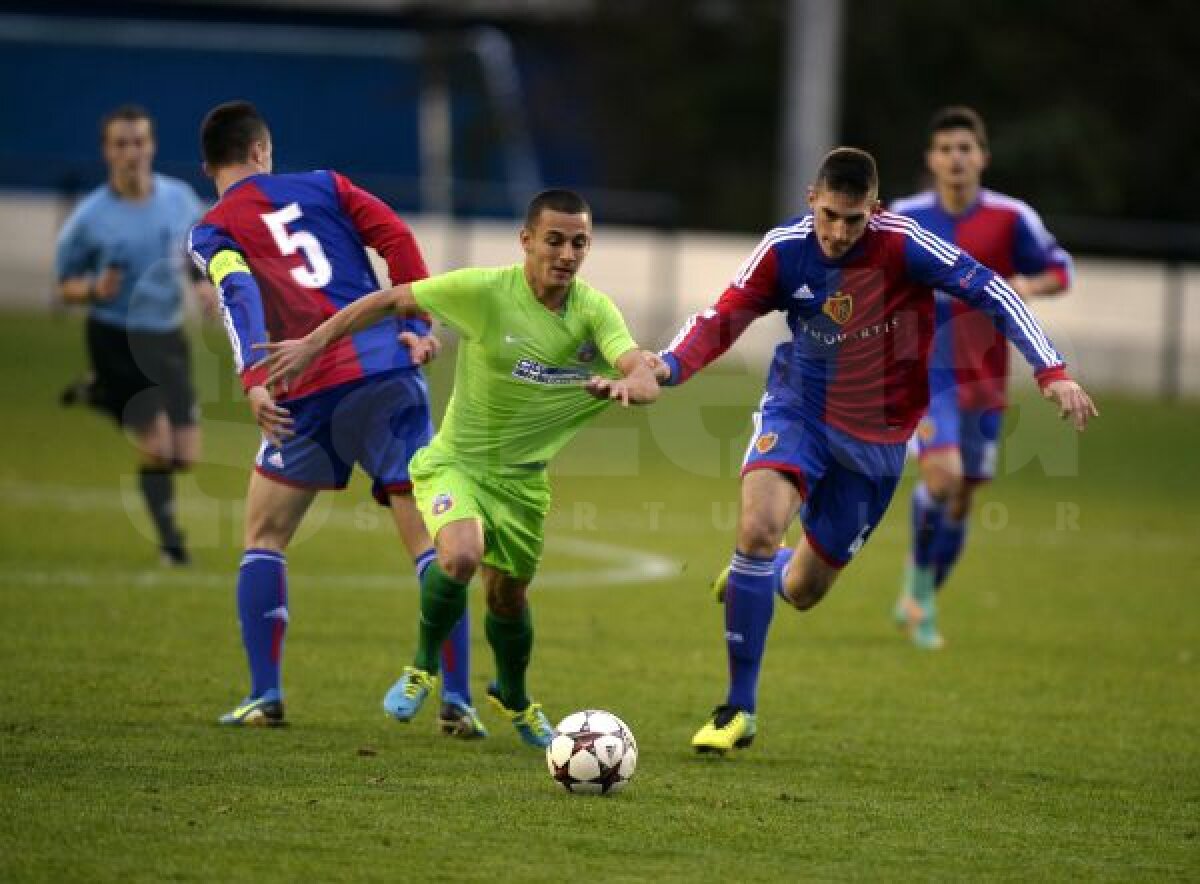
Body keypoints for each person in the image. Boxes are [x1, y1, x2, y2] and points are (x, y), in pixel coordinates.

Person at [650, 147, 1096, 754]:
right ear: (813, 199)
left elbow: (995, 291)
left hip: (879, 441)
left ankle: (763, 570)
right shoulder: (785, 248)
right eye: (828, 215)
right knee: (757, 526)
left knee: (805, 589)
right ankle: (739, 708)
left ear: (873, 211)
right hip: (799, 410)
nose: (836, 232)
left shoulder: (906, 243)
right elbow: (721, 317)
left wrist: (1052, 370)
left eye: (852, 220)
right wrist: (670, 367)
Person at [259, 188, 660, 749]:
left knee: (508, 600)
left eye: (579, 242)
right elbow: (388, 299)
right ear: (526, 241)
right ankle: (422, 667)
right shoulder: (484, 291)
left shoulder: (592, 310)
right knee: (461, 555)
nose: (566, 253)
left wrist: (632, 383)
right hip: (457, 465)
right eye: (554, 240)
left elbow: (639, 364)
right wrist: (315, 341)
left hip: (524, 485)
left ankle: (514, 696)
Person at [186, 100, 478, 733]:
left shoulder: (211, 229)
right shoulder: (326, 185)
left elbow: (235, 291)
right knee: (430, 545)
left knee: (264, 537)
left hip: (303, 387)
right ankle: (457, 699)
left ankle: (265, 695)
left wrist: (254, 379)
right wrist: (416, 324)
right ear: (263, 150)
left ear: (210, 165)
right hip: (385, 373)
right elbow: (397, 238)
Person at [890, 106, 1074, 649]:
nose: (955, 159)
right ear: (931, 159)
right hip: (925, 371)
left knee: (962, 497)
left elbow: (1060, 270)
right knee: (941, 480)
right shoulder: (906, 216)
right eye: (945, 149)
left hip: (986, 374)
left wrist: (1022, 287)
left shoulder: (1012, 218)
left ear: (982, 158)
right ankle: (921, 604)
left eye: (965, 149)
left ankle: (918, 585)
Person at [55, 104, 215, 565]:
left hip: (167, 337)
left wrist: (203, 285)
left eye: (139, 142)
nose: (132, 152)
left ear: (152, 146)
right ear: (107, 152)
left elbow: (193, 255)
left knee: (186, 455)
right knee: (158, 444)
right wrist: (90, 289)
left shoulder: (180, 198)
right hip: (115, 336)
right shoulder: (90, 218)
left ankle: (98, 392)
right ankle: (171, 544)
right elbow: (65, 284)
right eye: (121, 144)